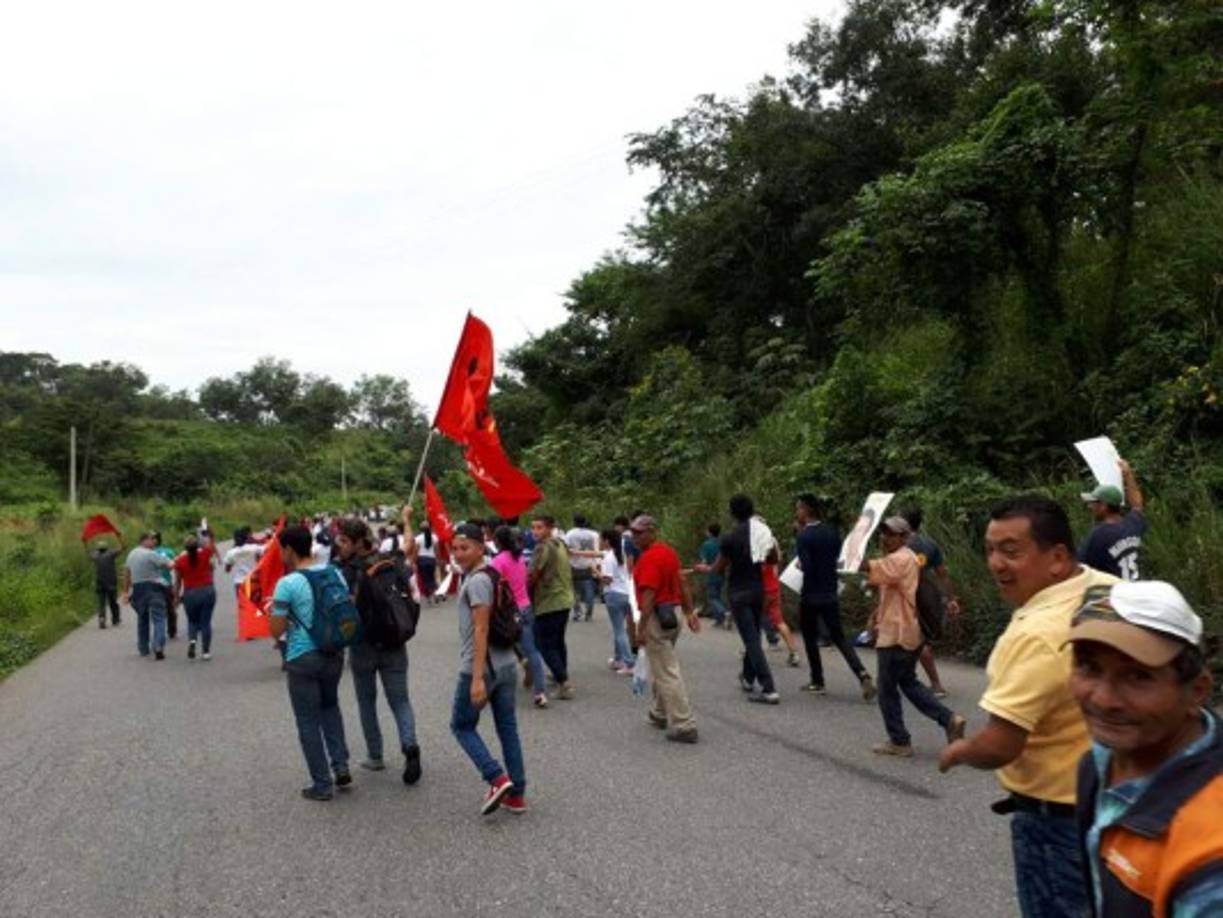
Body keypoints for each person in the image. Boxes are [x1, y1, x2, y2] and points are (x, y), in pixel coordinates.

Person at [939, 495, 1119, 918]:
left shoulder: (1035, 634)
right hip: (1123, 805)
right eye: (990, 550)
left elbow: (1001, 744)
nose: (996, 563)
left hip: (1059, 822)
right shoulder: (1107, 589)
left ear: (1057, 557)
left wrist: (960, 751)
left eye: (1011, 551)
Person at [1064, 580, 1221, 917]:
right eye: (1089, 667)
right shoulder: (1104, 758)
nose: (1103, 699)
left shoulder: (1211, 858)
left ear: (1197, 691)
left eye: (1137, 676)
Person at [858, 516, 966, 757]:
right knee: (908, 682)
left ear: (905, 537)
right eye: (884, 533)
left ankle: (899, 740)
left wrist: (852, 550)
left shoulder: (900, 558)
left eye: (891, 534)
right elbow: (886, 587)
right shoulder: (905, 558)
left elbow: (867, 567)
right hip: (908, 630)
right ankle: (949, 719)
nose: (885, 538)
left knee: (887, 688)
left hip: (897, 633)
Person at [335, 515, 422, 785]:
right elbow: (410, 545)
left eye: (344, 541)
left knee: (366, 701)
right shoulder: (391, 561)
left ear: (358, 542)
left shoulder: (348, 571)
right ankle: (409, 745)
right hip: (394, 640)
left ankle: (375, 755)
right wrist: (407, 518)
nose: (340, 545)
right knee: (400, 700)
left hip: (363, 645)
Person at [449, 522, 528, 816]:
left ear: (481, 548)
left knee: (461, 726)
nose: (458, 554)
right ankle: (516, 795)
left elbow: (481, 629)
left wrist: (476, 678)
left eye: (465, 548)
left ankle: (496, 778)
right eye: (455, 548)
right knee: (507, 728)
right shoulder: (492, 574)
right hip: (506, 663)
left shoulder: (478, 581)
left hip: (484, 666)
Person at [269, 525, 352, 801]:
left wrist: (274, 613)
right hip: (333, 652)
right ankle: (341, 767)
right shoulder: (334, 573)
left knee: (307, 720)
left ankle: (322, 784)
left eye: (281, 549)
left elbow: (276, 629)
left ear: (289, 549)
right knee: (330, 707)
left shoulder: (287, 583)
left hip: (302, 656)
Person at [794, 494, 875, 700]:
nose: (797, 512)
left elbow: (807, 567)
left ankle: (817, 680)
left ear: (806, 510)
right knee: (839, 636)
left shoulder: (803, 536)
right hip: (830, 592)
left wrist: (801, 564)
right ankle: (861, 673)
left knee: (810, 637)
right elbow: (837, 559)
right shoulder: (832, 532)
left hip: (811, 594)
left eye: (799, 508)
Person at [628, 515, 699, 744]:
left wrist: (640, 628)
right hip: (673, 614)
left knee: (667, 670)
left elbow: (648, 595)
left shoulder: (648, 559)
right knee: (662, 665)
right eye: (633, 532)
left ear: (652, 532)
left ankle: (684, 724)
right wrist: (689, 612)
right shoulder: (669, 552)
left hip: (656, 618)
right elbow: (682, 582)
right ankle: (659, 713)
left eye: (639, 533)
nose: (635, 537)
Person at [703, 494, 778, 705]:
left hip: (738, 591)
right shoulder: (762, 532)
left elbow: (719, 568)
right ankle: (747, 677)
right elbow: (773, 558)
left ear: (732, 513)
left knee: (751, 639)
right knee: (754, 633)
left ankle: (769, 688)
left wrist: (706, 568)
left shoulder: (730, 537)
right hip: (758, 589)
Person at [902, 507, 962, 698]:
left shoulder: (899, 545)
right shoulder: (929, 544)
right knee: (916, 638)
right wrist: (950, 598)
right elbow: (942, 574)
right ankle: (905, 679)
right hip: (927, 593)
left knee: (918, 640)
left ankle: (935, 684)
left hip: (906, 596)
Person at [491, 525, 548, 709]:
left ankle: (493, 686)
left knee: (497, 648)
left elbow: (494, 587)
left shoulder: (497, 561)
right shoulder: (519, 558)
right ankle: (540, 692)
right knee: (532, 650)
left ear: (497, 541)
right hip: (526, 607)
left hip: (509, 611)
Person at [528, 514, 575, 700]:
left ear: (549, 528)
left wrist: (526, 592)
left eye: (539, 527)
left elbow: (533, 574)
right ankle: (560, 674)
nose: (535, 531)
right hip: (565, 598)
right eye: (533, 527)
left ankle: (564, 682)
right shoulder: (560, 544)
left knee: (544, 643)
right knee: (557, 641)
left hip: (549, 600)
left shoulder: (542, 548)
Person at [1078, 459, 1147, 582]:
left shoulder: (1098, 535)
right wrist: (1128, 475)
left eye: (1093, 502)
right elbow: (1137, 505)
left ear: (1103, 506)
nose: (1090, 506)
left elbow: (1077, 567)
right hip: (1135, 589)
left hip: (1115, 592)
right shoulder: (1132, 524)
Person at [121, 531, 174, 659]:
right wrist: (173, 561)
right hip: (154, 588)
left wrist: (125, 592)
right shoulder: (151, 554)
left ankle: (143, 648)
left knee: (142, 618)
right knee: (159, 618)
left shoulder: (131, 554)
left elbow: (127, 574)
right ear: (145, 540)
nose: (154, 542)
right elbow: (170, 565)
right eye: (152, 539)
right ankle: (158, 645)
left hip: (138, 589)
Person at [173, 536, 217, 661]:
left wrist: (176, 597)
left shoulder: (180, 561)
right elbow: (210, 545)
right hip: (207, 591)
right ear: (197, 546)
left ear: (185, 548)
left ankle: (192, 641)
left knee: (192, 621)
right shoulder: (205, 555)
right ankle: (206, 652)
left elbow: (177, 582)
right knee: (205, 622)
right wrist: (205, 535)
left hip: (190, 594)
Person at [598, 528, 636, 675]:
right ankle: (618, 659)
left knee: (619, 630)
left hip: (613, 594)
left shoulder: (608, 557)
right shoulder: (622, 555)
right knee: (620, 628)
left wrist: (596, 573)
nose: (600, 541)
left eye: (601, 539)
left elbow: (607, 579)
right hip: (626, 593)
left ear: (607, 541)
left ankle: (629, 663)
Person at [761, 540, 802, 668]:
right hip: (775, 590)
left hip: (764, 592)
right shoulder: (775, 559)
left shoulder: (761, 561)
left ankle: (751, 651)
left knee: (753, 620)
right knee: (779, 622)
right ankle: (794, 653)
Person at [696, 523, 731, 629]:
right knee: (718, 596)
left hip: (711, 573)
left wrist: (700, 567)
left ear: (709, 532)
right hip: (722, 573)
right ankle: (719, 620)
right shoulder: (722, 543)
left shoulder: (706, 545)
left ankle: (724, 612)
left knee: (712, 598)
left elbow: (704, 560)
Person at [566, 514, 599, 622]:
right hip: (589, 565)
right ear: (585, 522)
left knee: (574, 591)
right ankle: (589, 613)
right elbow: (595, 550)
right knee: (589, 590)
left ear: (574, 522)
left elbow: (566, 549)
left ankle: (577, 613)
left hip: (574, 565)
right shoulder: (593, 534)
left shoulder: (570, 534)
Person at [89, 536, 124, 629]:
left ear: (98, 549)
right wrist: (120, 538)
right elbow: (122, 548)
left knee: (101, 603)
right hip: (111, 583)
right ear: (106, 547)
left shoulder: (95, 556)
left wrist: (85, 543)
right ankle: (115, 619)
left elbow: (88, 553)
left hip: (100, 583)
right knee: (113, 602)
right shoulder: (111, 554)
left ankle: (102, 618)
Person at [223, 527, 264, 599]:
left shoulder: (231, 553)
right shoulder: (254, 548)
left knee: (242, 604)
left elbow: (227, 570)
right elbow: (267, 549)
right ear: (246, 538)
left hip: (239, 582)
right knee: (253, 604)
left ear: (234, 539)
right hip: (253, 581)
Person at [153, 532, 178, 641]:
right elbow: (176, 566)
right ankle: (170, 631)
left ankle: (163, 631)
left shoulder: (149, 552)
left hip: (156, 585)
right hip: (165, 584)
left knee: (159, 609)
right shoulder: (169, 551)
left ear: (156, 540)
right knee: (169, 608)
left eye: (152, 538)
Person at [415, 521, 439, 602]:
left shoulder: (418, 538)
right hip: (432, 559)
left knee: (424, 578)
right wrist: (437, 559)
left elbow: (416, 551)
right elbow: (436, 549)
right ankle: (435, 593)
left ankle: (428, 596)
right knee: (432, 577)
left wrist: (414, 560)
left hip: (422, 560)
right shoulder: (434, 537)